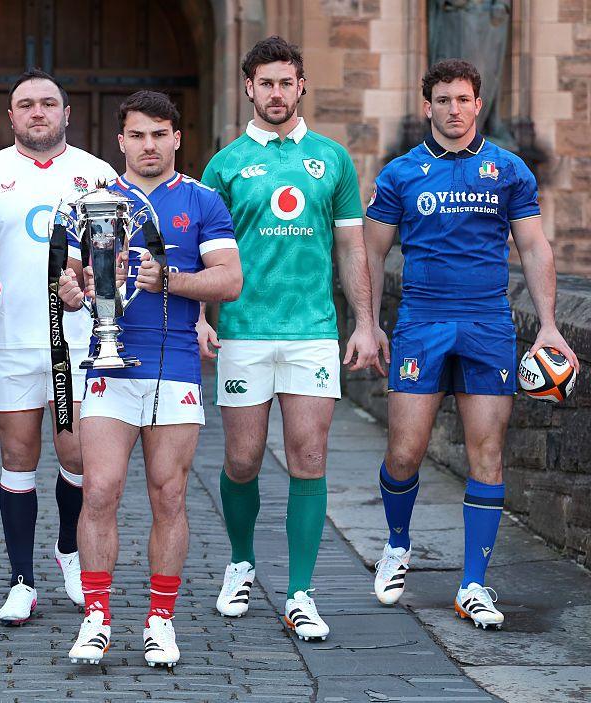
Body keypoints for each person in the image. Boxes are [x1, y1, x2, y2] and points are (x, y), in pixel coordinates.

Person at [364, 59, 579, 629]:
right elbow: (371, 252)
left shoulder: (507, 170)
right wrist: (368, 321)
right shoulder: (400, 174)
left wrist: (551, 326)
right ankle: (396, 544)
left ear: (477, 104)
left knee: (488, 454)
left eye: (463, 99)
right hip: (422, 323)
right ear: (426, 105)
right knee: (405, 452)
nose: (453, 110)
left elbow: (534, 249)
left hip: (487, 322)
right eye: (443, 100)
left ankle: (473, 584)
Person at [198, 36, 378, 641]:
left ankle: (301, 591)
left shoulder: (333, 160)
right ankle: (241, 562)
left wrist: (366, 321)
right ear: (249, 87)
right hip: (244, 331)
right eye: (265, 83)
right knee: (243, 460)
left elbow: (352, 247)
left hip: (312, 333)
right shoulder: (223, 165)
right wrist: (202, 317)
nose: (276, 93)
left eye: (286, 82)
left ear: (302, 86)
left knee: (309, 458)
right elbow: (206, 253)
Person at [58, 90, 242, 667]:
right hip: (108, 363)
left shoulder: (203, 201)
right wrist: (70, 289)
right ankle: (97, 618)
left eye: (159, 134)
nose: (149, 145)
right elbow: (69, 277)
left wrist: (173, 280)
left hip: (176, 365)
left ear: (177, 139)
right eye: (137, 135)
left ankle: (160, 620)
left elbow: (230, 280)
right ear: (121, 142)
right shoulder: (90, 200)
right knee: (101, 490)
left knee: (169, 494)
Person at [0, 69, 116, 625]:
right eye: (27, 105)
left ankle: (68, 550)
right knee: (18, 458)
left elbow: (112, 258)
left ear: (67, 113)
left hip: (82, 343)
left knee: (76, 458)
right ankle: (21, 580)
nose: (38, 113)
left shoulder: (97, 174)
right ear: (12, 116)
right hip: (14, 343)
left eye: (49, 104)